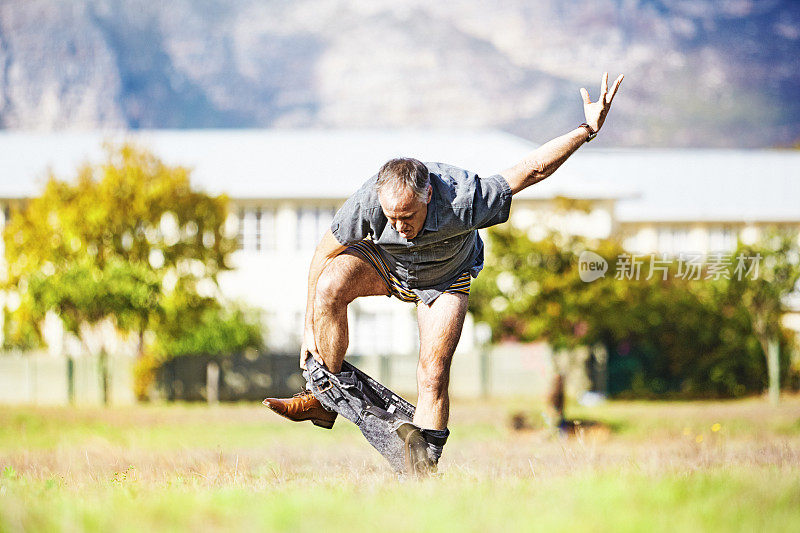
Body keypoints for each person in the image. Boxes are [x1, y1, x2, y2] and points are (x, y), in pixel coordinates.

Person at [264, 72, 624, 470]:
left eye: (408, 216)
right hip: (387, 265)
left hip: (445, 278)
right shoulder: (367, 202)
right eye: (391, 217)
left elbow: (532, 169)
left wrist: (587, 129)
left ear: (429, 195)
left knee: (432, 373)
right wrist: (309, 327)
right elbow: (320, 256)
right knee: (330, 283)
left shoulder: (464, 198)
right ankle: (323, 400)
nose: (400, 226)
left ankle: (422, 469)